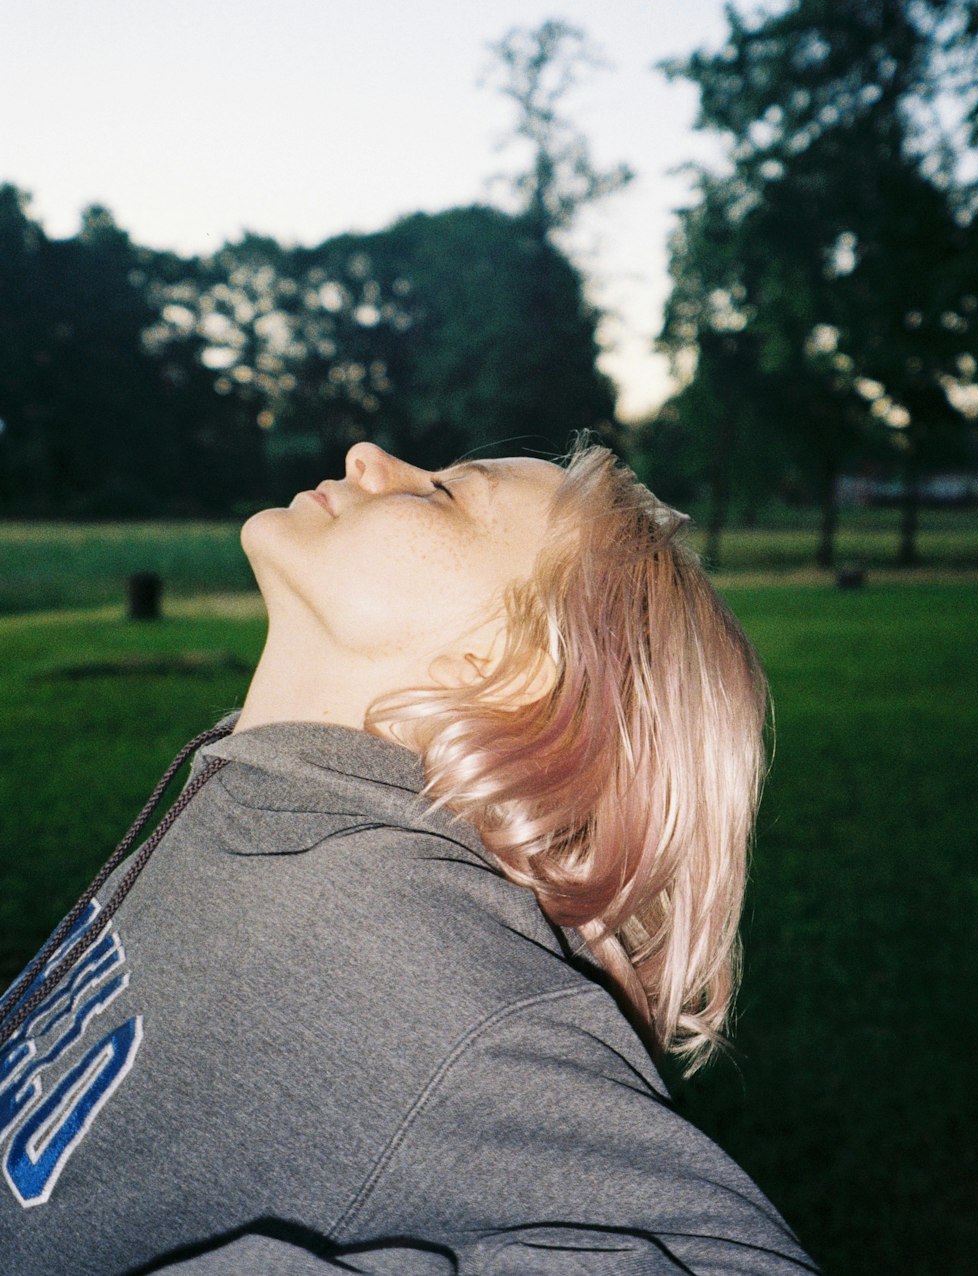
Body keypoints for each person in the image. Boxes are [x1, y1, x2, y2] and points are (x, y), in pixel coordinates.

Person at [0, 440, 819, 1274]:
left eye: (444, 496)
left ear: (508, 670)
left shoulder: (429, 969)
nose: (367, 457)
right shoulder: (272, 805)